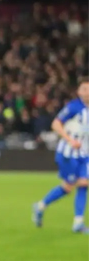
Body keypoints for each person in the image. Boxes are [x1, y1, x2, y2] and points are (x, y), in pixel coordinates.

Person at [33, 80, 89, 234]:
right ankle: (40, 206)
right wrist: (70, 140)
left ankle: (78, 222)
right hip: (67, 153)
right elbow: (56, 124)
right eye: (85, 88)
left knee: (84, 183)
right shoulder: (73, 107)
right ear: (79, 92)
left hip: (84, 154)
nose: (88, 91)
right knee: (68, 187)